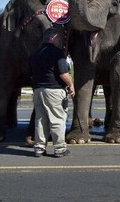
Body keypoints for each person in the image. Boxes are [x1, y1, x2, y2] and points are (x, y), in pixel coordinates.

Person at [29, 28, 75, 158]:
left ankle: (39, 148)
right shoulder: (57, 53)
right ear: (53, 37)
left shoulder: (35, 54)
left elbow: (30, 73)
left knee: (40, 120)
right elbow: (63, 73)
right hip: (54, 90)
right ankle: (59, 148)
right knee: (57, 119)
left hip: (38, 90)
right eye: (58, 38)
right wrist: (71, 84)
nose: (59, 41)